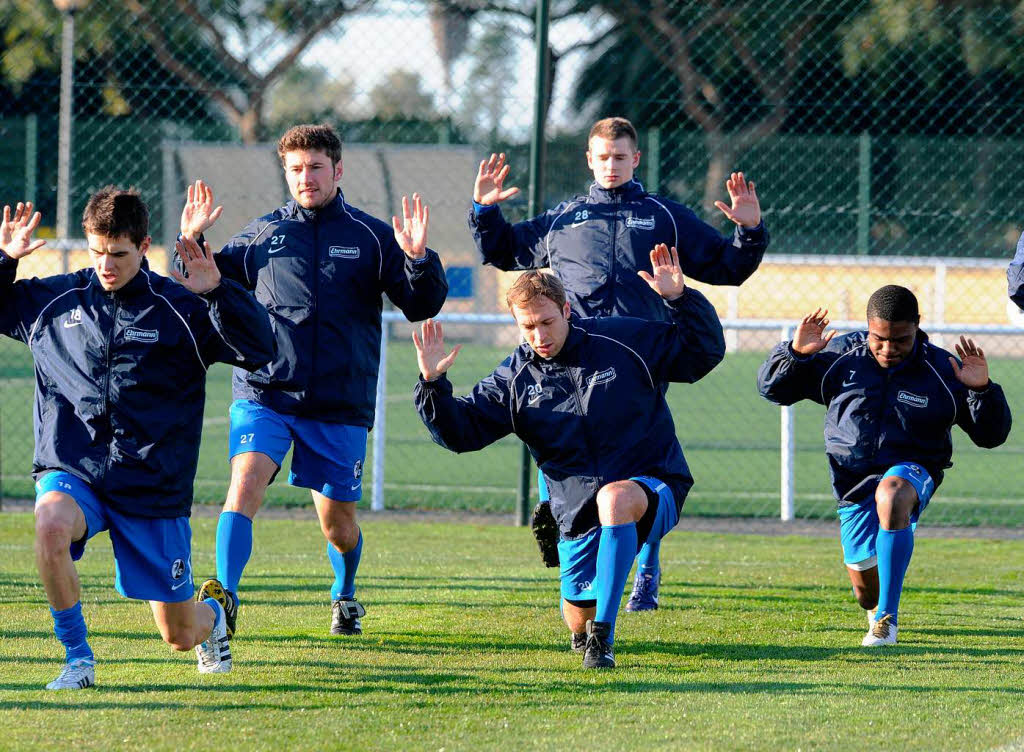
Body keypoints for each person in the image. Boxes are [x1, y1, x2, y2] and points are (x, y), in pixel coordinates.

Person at [469, 116, 769, 610]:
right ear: (589, 159)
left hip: (637, 365)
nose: (611, 165)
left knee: (636, 468)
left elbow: (728, 267)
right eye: (602, 157)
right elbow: (504, 250)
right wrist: (484, 210)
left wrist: (749, 231)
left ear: (636, 159)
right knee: (565, 454)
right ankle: (573, 535)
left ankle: (646, 561)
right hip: (569, 367)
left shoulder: (663, 216)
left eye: (620, 157)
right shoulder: (563, 219)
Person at [178, 123, 448, 645]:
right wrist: (189, 241)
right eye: (296, 169)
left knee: (337, 526)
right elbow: (199, 279)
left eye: (316, 167)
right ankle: (224, 598)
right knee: (244, 486)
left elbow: (421, 303)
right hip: (266, 391)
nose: (306, 178)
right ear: (286, 173)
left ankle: (344, 596)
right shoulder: (262, 234)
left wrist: (417, 259)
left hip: (338, 402)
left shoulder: (370, 236)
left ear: (337, 170)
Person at [0, 190, 275, 688]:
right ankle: (78, 659)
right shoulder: (54, 303)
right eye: (97, 251)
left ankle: (212, 615)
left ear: (144, 245)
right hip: (74, 468)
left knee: (179, 634)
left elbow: (262, 349)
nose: (106, 264)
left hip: (152, 485)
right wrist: (4, 261)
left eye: (119, 254)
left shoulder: (180, 310)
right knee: (49, 524)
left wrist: (218, 292)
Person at [413, 244, 725, 668]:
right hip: (574, 510)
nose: (540, 336)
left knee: (614, 500)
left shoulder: (623, 340)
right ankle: (586, 630)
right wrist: (433, 385)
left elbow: (701, 353)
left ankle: (604, 638)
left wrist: (679, 298)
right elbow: (462, 433)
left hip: (653, 481)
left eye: (547, 322)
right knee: (575, 617)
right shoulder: (514, 379)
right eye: (528, 327)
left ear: (566, 310)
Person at [757, 286, 1011, 646]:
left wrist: (981, 390)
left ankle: (886, 622)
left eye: (900, 340)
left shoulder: (942, 370)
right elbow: (772, 390)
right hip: (852, 482)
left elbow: (991, 436)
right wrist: (796, 356)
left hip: (912, 472)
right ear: (867, 327)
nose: (888, 349)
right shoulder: (840, 357)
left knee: (891, 496)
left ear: (917, 327)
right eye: (879, 339)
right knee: (866, 594)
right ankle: (878, 603)